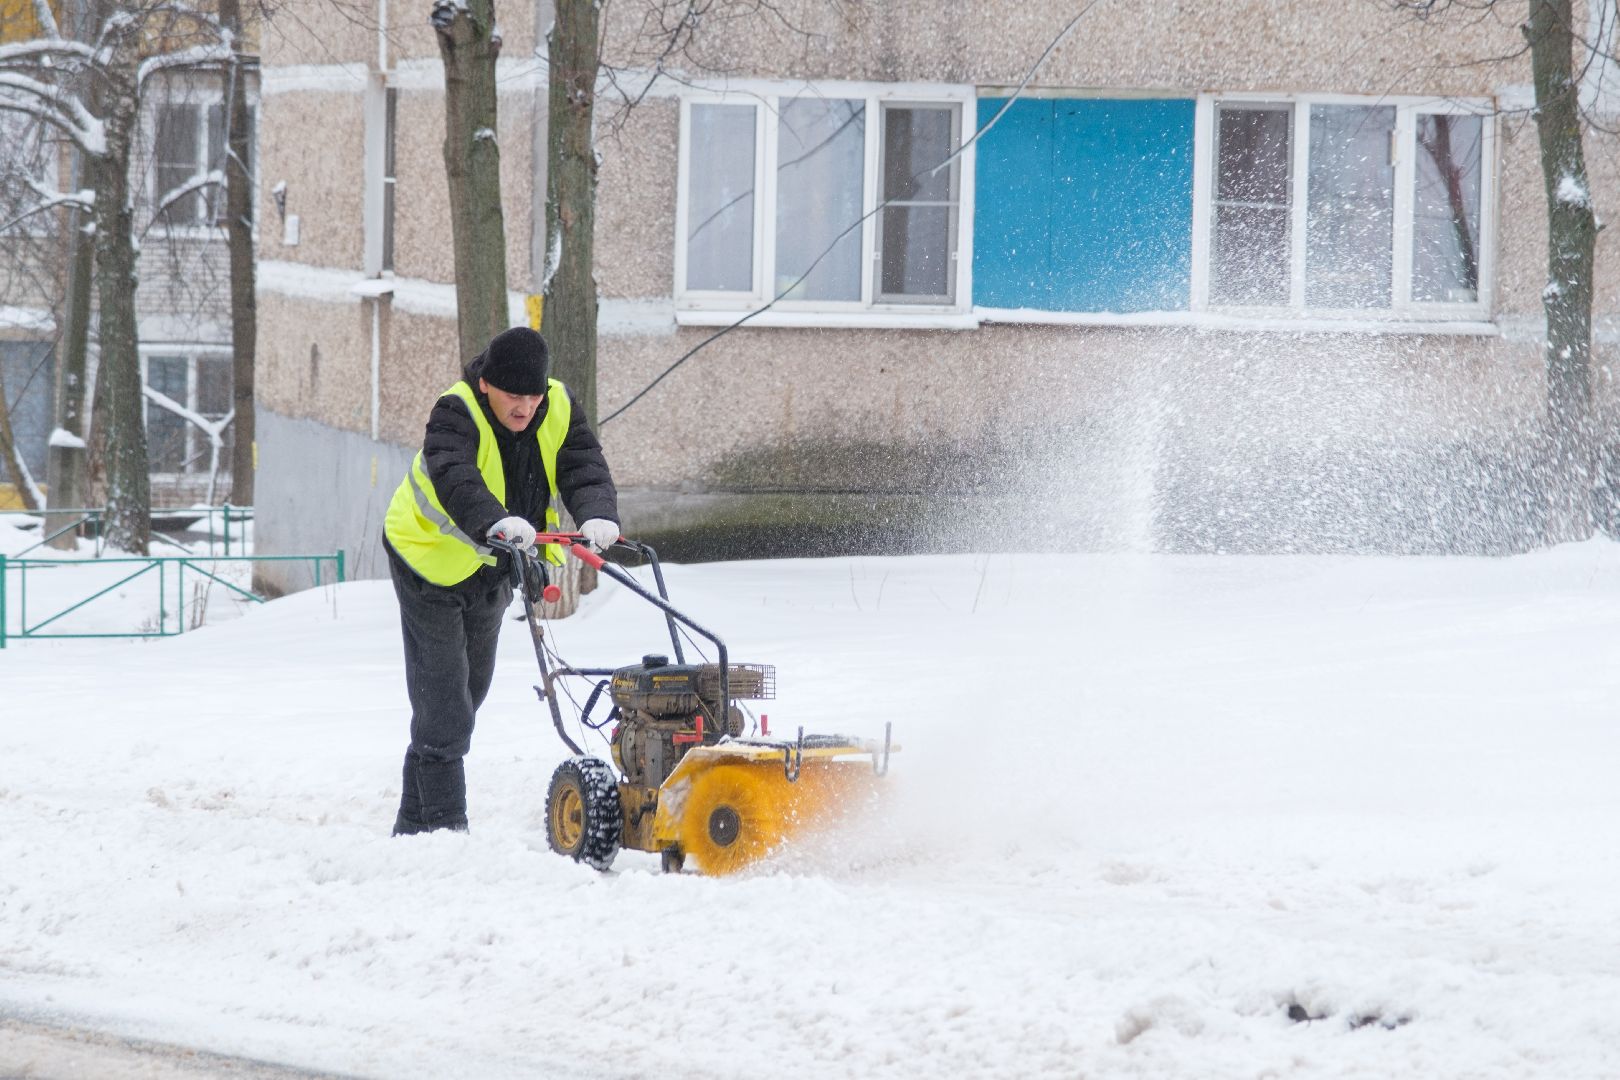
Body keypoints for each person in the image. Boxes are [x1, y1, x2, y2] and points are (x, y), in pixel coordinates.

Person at [381, 326, 619, 835]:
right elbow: (455, 477)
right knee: (444, 700)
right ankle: (446, 829)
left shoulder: (557, 405)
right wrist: (495, 522)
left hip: (492, 565)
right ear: (487, 385)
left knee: (469, 691)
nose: (526, 407)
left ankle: (410, 825)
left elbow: (583, 464)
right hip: (426, 560)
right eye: (515, 397)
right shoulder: (456, 410)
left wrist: (597, 513)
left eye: (534, 396)